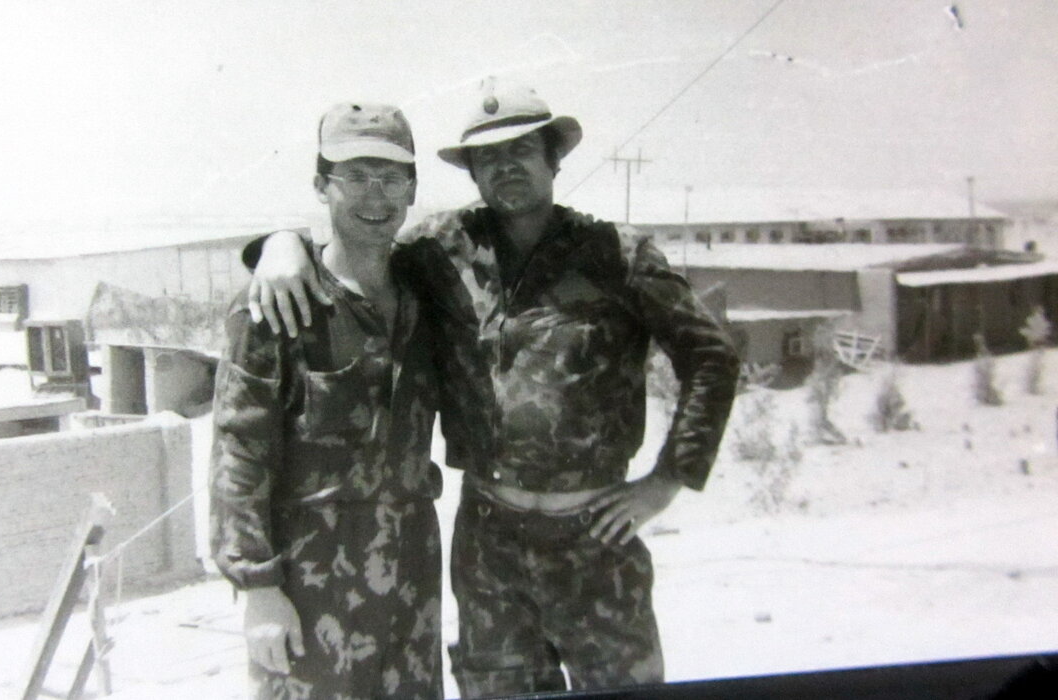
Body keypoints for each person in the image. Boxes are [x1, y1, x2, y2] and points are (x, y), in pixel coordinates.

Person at [244, 78, 741, 697]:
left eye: (522, 151)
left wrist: (668, 480)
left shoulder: (617, 254)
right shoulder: (439, 250)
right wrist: (280, 245)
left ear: (554, 160)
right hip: (488, 543)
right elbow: (353, 248)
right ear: (473, 172)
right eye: (488, 157)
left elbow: (712, 356)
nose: (506, 166)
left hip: (595, 539)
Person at [210, 102, 444, 699]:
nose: (376, 196)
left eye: (391, 178)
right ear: (321, 186)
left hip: (411, 583)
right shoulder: (276, 306)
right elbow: (239, 453)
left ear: (413, 190)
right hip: (311, 589)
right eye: (356, 176)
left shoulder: (429, 298)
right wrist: (259, 590)